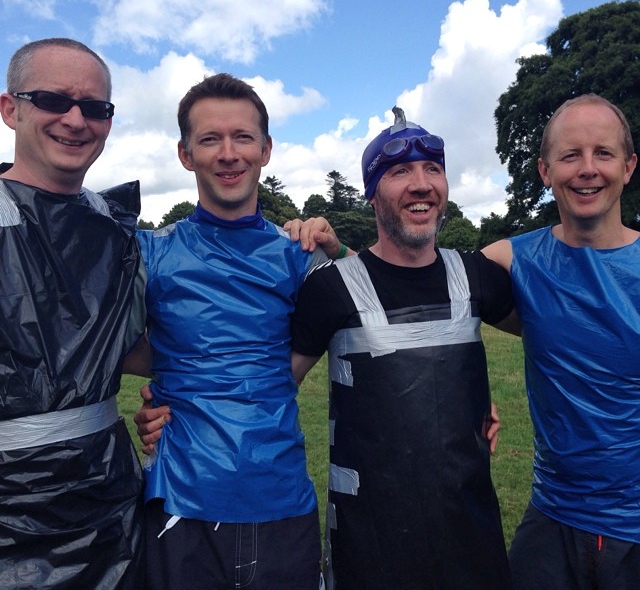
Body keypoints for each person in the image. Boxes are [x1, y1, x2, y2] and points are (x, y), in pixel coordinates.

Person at [128, 73, 343, 590]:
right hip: (180, 501)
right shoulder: (149, 252)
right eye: (210, 139)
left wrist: (340, 254)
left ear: (265, 149)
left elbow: (384, 305)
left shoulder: (301, 254)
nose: (228, 154)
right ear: (185, 154)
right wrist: (178, 373)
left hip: (281, 498)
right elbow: (84, 342)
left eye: (242, 137)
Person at [290, 108, 516, 589]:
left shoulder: (477, 277)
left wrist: (469, 398)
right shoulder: (329, 289)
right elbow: (267, 388)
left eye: (433, 169)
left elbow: (567, 340)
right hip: (369, 549)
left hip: (471, 543)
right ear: (373, 195)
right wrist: (175, 413)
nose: (421, 183)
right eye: (399, 172)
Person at [0, 38, 144, 588]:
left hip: (113, 514)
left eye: (96, 108)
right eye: (54, 100)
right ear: (11, 108)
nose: (76, 120)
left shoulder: (116, 230)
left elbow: (132, 349)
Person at [483, 94, 640, 589]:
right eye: (571, 155)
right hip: (551, 520)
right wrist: (334, 251)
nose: (587, 170)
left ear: (629, 166)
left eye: (603, 153)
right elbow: (411, 290)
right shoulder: (512, 261)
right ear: (545, 170)